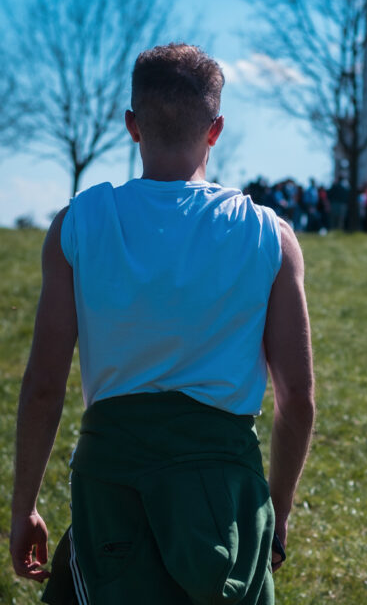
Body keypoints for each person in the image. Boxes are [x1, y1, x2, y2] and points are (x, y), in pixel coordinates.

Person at [10, 43, 315, 605]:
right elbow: (295, 397)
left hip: (112, 485)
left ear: (132, 125)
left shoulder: (79, 223)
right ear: (216, 129)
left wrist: (24, 505)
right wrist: (277, 508)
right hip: (225, 491)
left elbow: (45, 384)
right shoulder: (267, 234)